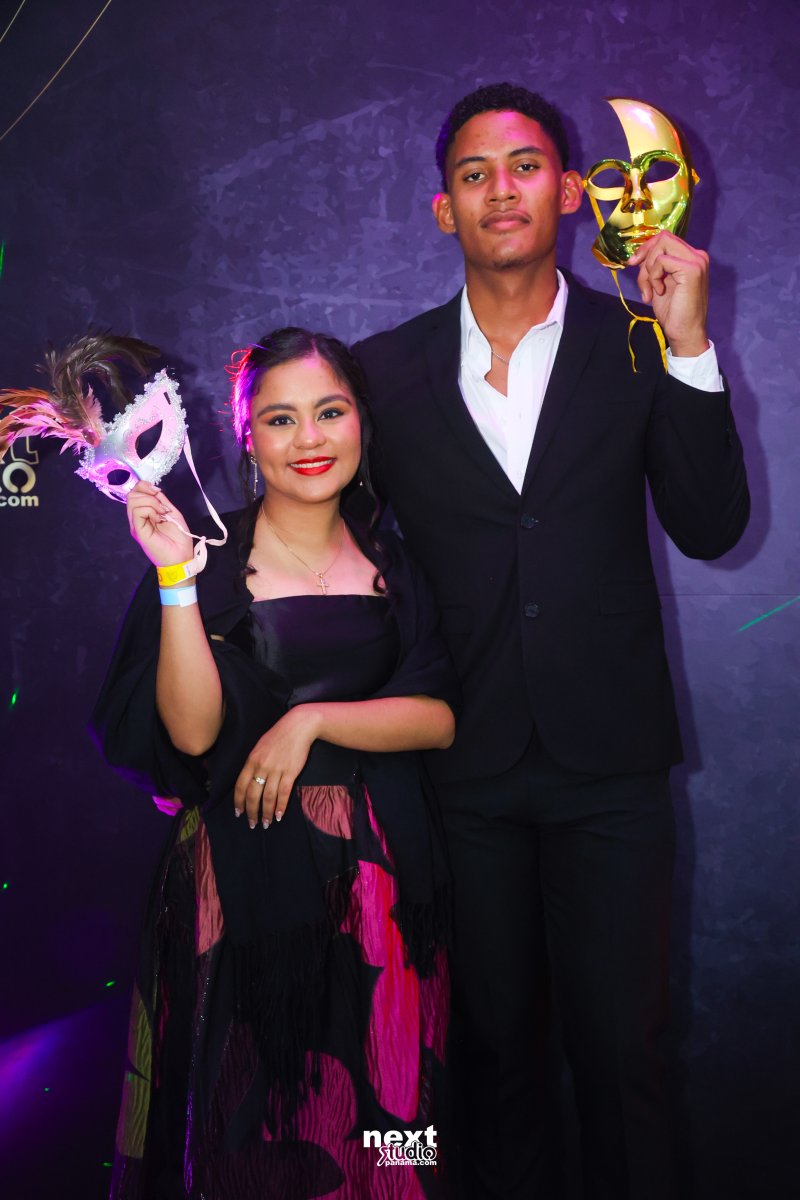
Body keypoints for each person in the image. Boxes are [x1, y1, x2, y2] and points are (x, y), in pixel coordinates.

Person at [353, 83, 750, 1200]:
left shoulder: (641, 344)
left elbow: (713, 526)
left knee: (625, 1055)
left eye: (525, 166)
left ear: (571, 192)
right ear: (444, 209)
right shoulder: (378, 374)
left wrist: (688, 343)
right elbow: (332, 555)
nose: (501, 190)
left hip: (608, 768)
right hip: (454, 769)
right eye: (473, 174)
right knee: (489, 1061)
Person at [91, 328, 459, 1199]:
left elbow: (438, 719)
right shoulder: (209, 560)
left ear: (361, 422)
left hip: (382, 890)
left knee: (393, 1132)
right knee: (249, 1132)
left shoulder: (394, 563)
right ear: (247, 437)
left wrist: (310, 721)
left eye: (330, 412)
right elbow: (191, 736)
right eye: (281, 419)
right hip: (239, 887)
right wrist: (176, 578)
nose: (309, 439)